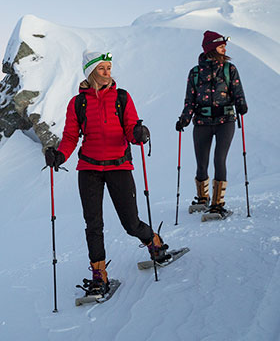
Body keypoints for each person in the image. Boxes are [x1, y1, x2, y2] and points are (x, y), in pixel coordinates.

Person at [45, 51, 169, 296]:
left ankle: (153, 241)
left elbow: (131, 127)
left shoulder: (121, 97)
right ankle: (98, 274)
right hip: (89, 168)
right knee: (93, 225)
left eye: (109, 68)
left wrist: (138, 134)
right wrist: (60, 155)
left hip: (119, 167)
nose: (107, 72)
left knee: (131, 223)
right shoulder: (78, 103)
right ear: (90, 72)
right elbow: (70, 137)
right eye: (102, 68)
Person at [176, 30, 248, 216]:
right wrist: (184, 119)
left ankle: (218, 202)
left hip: (226, 120)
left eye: (224, 45)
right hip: (202, 121)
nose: (225, 48)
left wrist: (241, 105)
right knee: (201, 162)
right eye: (221, 45)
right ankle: (202, 198)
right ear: (211, 48)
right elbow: (189, 100)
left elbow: (237, 91)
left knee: (219, 159)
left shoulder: (229, 69)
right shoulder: (195, 73)